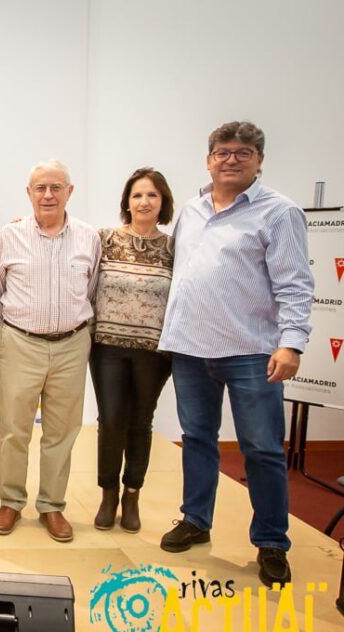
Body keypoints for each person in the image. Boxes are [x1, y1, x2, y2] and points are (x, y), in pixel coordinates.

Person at [158, 121, 314, 588]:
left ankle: (271, 542)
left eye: (243, 152)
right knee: (197, 438)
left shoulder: (279, 213)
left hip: (251, 351)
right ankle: (196, 519)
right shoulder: (192, 209)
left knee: (262, 449)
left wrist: (292, 343)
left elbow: (295, 283)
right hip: (189, 348)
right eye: (223, 152)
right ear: (209, 159)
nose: (231, 159)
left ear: (259, 160)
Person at [0, 159, 100, 542]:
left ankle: (52, 506)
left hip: (71, 345)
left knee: (61, 432)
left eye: (56, 187)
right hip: (20, 343)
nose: (48, 195)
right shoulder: (8, 237)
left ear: (70, 192)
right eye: (40, 188)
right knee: (14, 430)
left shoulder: (89, 238)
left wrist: (73, 331)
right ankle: (11, 502)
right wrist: (13, 335)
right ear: (29, 193)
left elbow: (92, 291)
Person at [89, 168, 175, 533]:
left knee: (141, 422)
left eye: (152, 196)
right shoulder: (103, 239)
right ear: (127, 201)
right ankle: (108, 492)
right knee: (111, 421)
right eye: (137, 195)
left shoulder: (174, 247)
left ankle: (132, 493)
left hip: (154, 353)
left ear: (163, 203)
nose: (144, 202)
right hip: (106, 346)